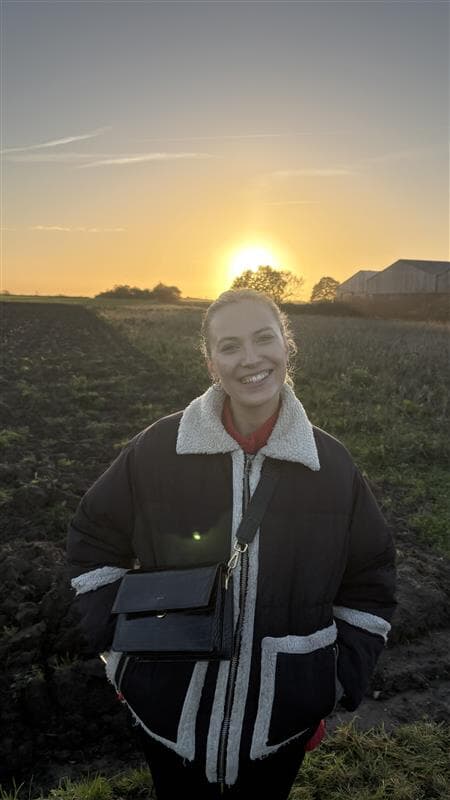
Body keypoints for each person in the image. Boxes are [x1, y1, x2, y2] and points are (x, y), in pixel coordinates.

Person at [67, 289, 397, 799]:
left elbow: (370, 580)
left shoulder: (331, 467)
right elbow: (93, 535)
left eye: (264, 338)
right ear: (211, 362)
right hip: (167, 717)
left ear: (287, 346)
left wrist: (329, 682)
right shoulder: (158, 449)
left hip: (278, 727)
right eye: (230, 346)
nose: (250, 358)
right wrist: (120, 649)